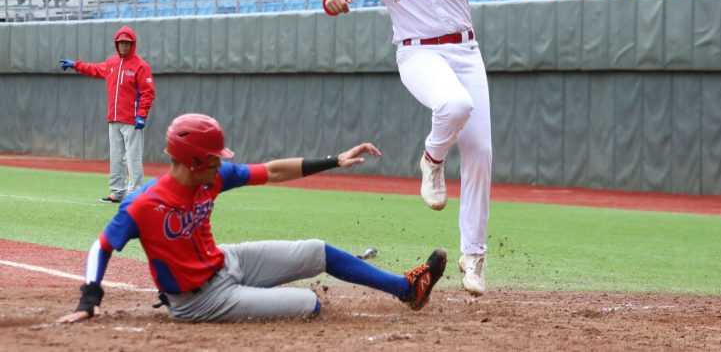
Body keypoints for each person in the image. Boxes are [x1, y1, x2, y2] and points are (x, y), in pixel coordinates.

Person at [323, 0, 581, 296]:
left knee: (481, 152)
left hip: (465, 50)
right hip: (417, 54)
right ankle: (432, 160)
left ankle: (474, 256)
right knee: (455, 105)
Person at [57, 113, 447, 323]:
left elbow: (272, 171)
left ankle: (406, 289)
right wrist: (89, 298)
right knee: (308, 304)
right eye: (214, 158)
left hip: (227, 261)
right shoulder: (143, 205)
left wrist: (334, 160)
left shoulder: (213, 178)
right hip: (198, 301)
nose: (222, 162)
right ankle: (256, 300)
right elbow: (102, 246)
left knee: (317, 252)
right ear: (193, 162)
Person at [60, 25, 155, 203]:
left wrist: (141, 115)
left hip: (132, 120)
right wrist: (76, 65)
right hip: (114, 118)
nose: (123, 46)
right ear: (116, 44)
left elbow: (148, 92)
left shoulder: (141, 66)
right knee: (116, 157)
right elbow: (94, 69)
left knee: (133, 158)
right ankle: (117, 192)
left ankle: (135, 194)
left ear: (132, 44)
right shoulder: (112, 63)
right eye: (120, 43)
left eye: (127, 43)